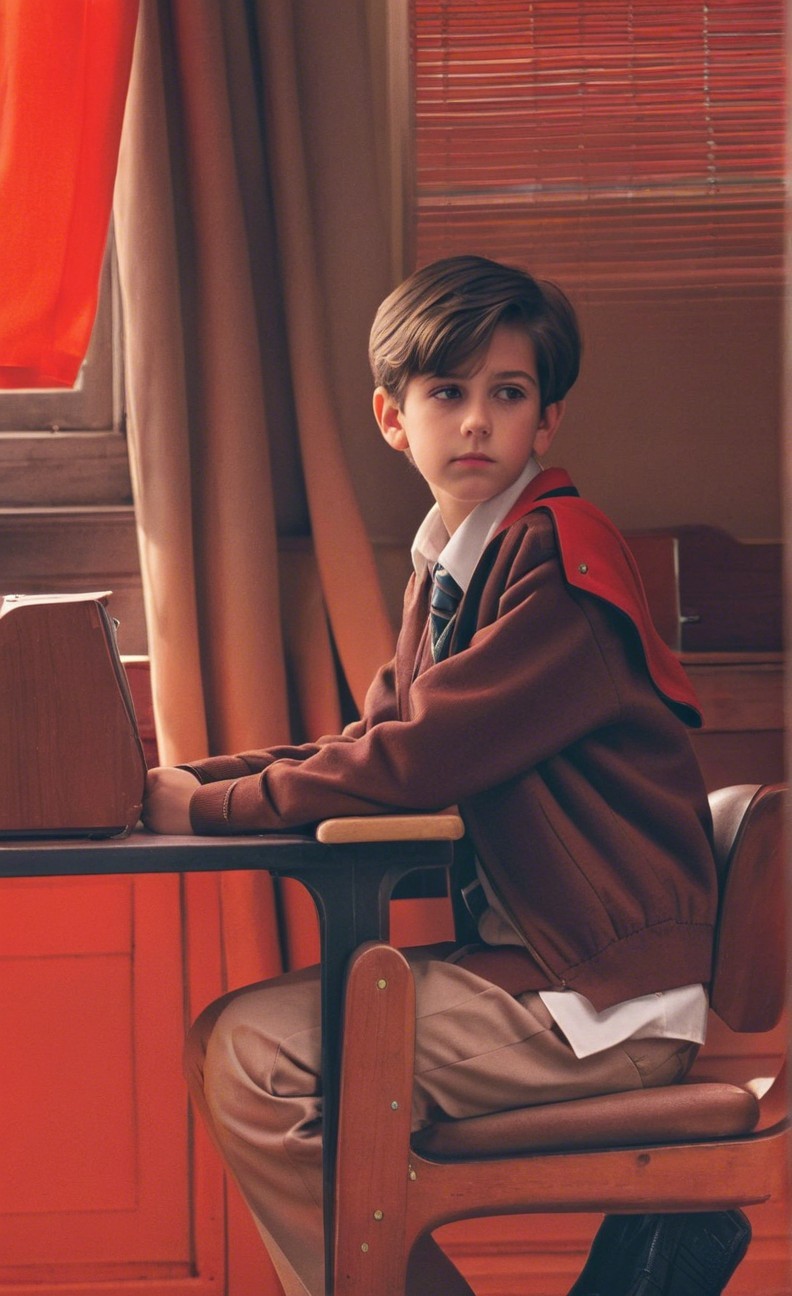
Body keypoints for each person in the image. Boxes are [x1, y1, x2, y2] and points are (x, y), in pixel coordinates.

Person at [143, 255, 722, 1296]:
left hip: (600, 1008)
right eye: (447, 393)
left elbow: (413, 761)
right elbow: (372, 733)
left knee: (251, 1058)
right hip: (550, 978)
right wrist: (197, 779)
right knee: (231, 1048)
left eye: (507, 395)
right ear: (391, 417)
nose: (475, 423)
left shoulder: (559, 558)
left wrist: (213, 805)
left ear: (546, 422)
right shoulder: (456, 563)